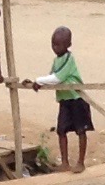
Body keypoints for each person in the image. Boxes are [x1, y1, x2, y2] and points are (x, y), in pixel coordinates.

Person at [32, 25, 90, 172]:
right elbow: (50, 77)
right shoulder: (57, 60)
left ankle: (81, 162)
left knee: (81, 130)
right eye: (53, 44)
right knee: (61, 130)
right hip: (65, 100)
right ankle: (65, 163)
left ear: (68, 45)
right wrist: (39, 83)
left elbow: (57, 78)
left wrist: (39, 80)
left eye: (58, 44)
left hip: (77, 99)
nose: (55, 47)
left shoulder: (68, 59)